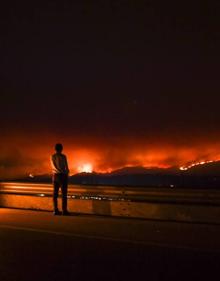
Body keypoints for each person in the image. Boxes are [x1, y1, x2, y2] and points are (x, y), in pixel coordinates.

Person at [51, 143, 70, 215]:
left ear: (55, 149)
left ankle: (55, 210)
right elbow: (66, 168)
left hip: (55, 176)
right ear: (62, 149)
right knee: (64, 194)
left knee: (55, 194)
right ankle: (64, 211)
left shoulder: (52, 156)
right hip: (62, 176)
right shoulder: (63, 156)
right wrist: (66, 174)